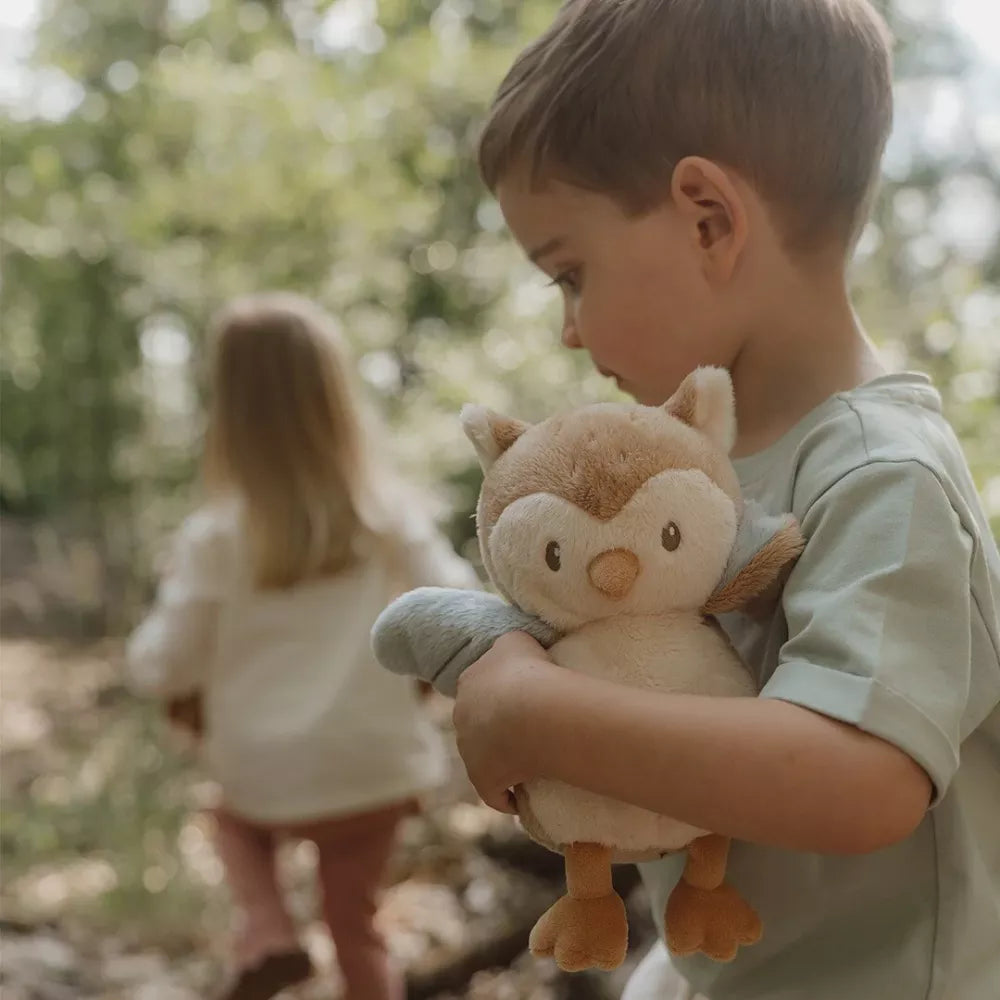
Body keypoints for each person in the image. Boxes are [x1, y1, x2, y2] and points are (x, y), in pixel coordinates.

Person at [448, 2, 1000, 998]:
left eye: (570, 273)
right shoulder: (705, 474)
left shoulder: (880, 475)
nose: (569, 331)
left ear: (708, 219)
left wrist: (542, 715)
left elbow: (858, 780)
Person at [126, 293, 476, 1000]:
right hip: (374, 764)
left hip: (264, 774)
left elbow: (163, 665)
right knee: (358, 929)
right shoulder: (389, 518)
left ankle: (267, 930)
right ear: (336, 398)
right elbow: (461, 606)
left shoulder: (218, 535)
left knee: (228, 819)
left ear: (229, 411)